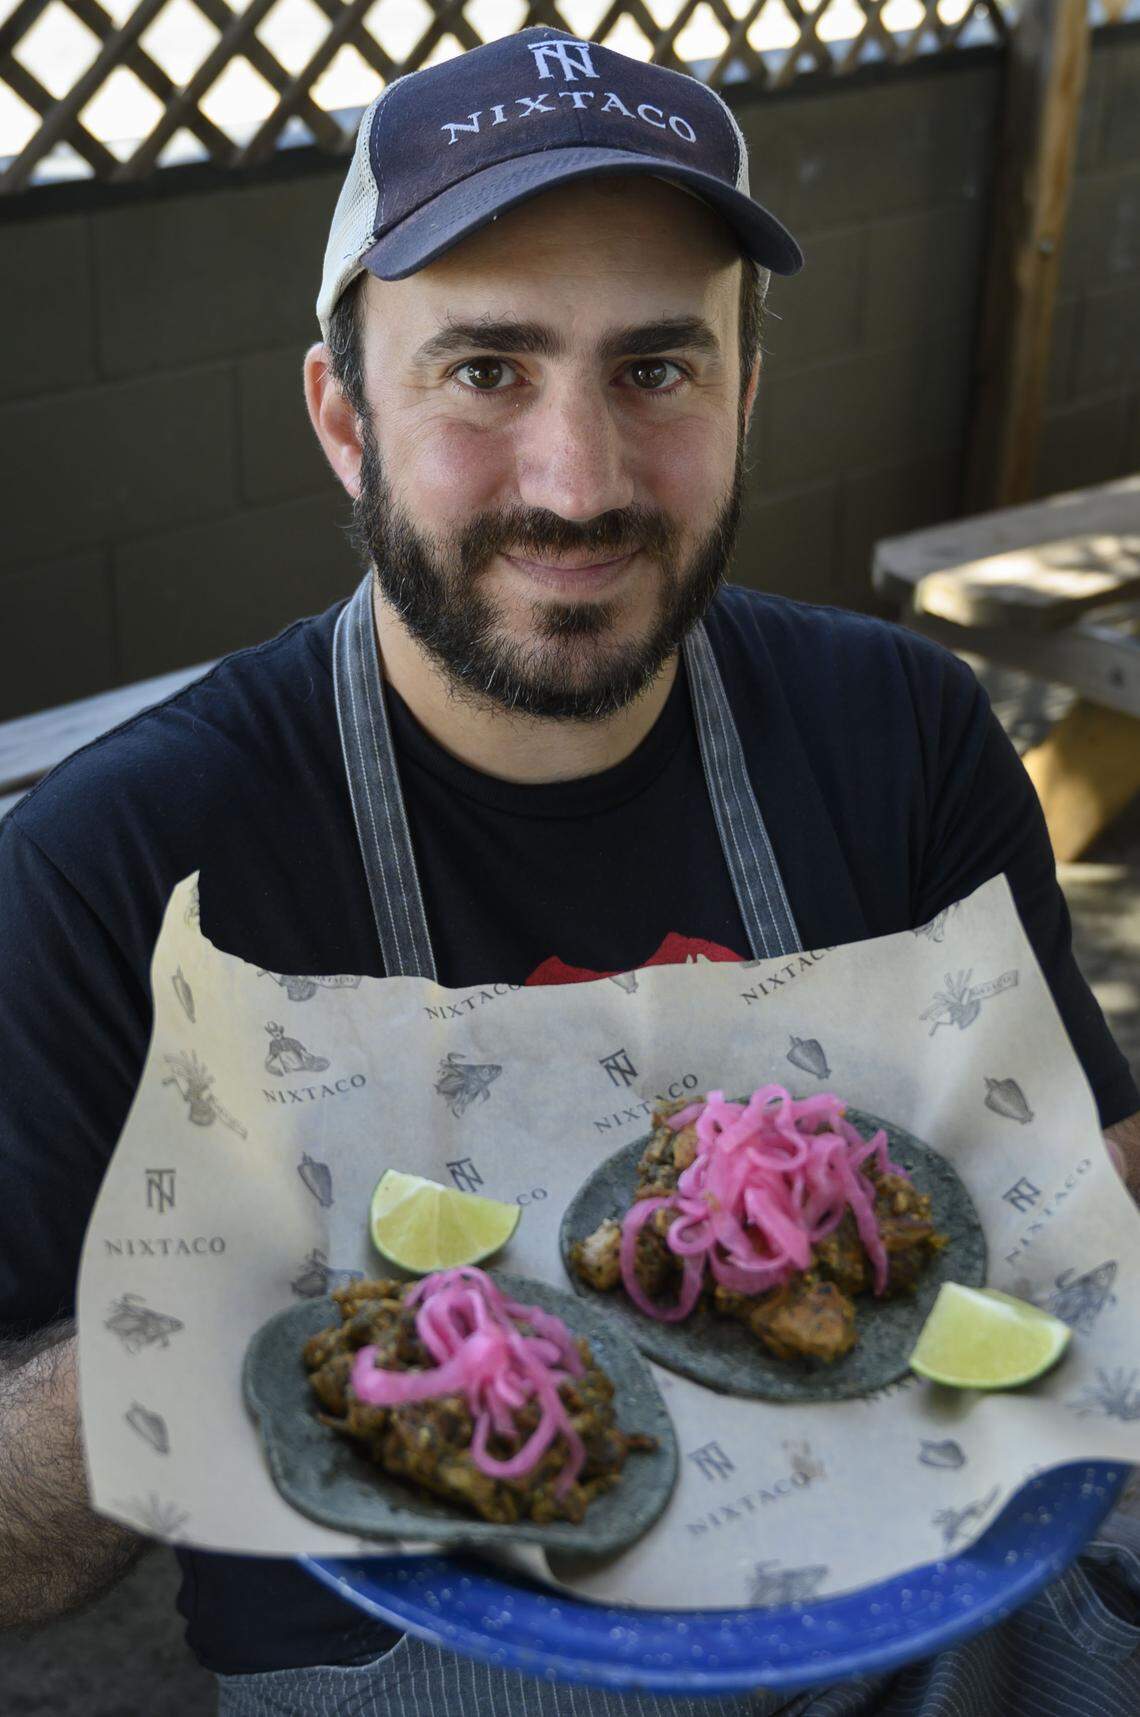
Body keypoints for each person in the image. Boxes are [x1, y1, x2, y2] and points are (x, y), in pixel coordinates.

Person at [0, 23, 1137, 1717]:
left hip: (940, 1635)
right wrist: (216, 1314)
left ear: (747, 393)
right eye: (484, 369)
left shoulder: (906, 733)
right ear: (341, 414)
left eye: (658, 368)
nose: (580, 480)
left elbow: (1074, 1222)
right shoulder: (119, 869)